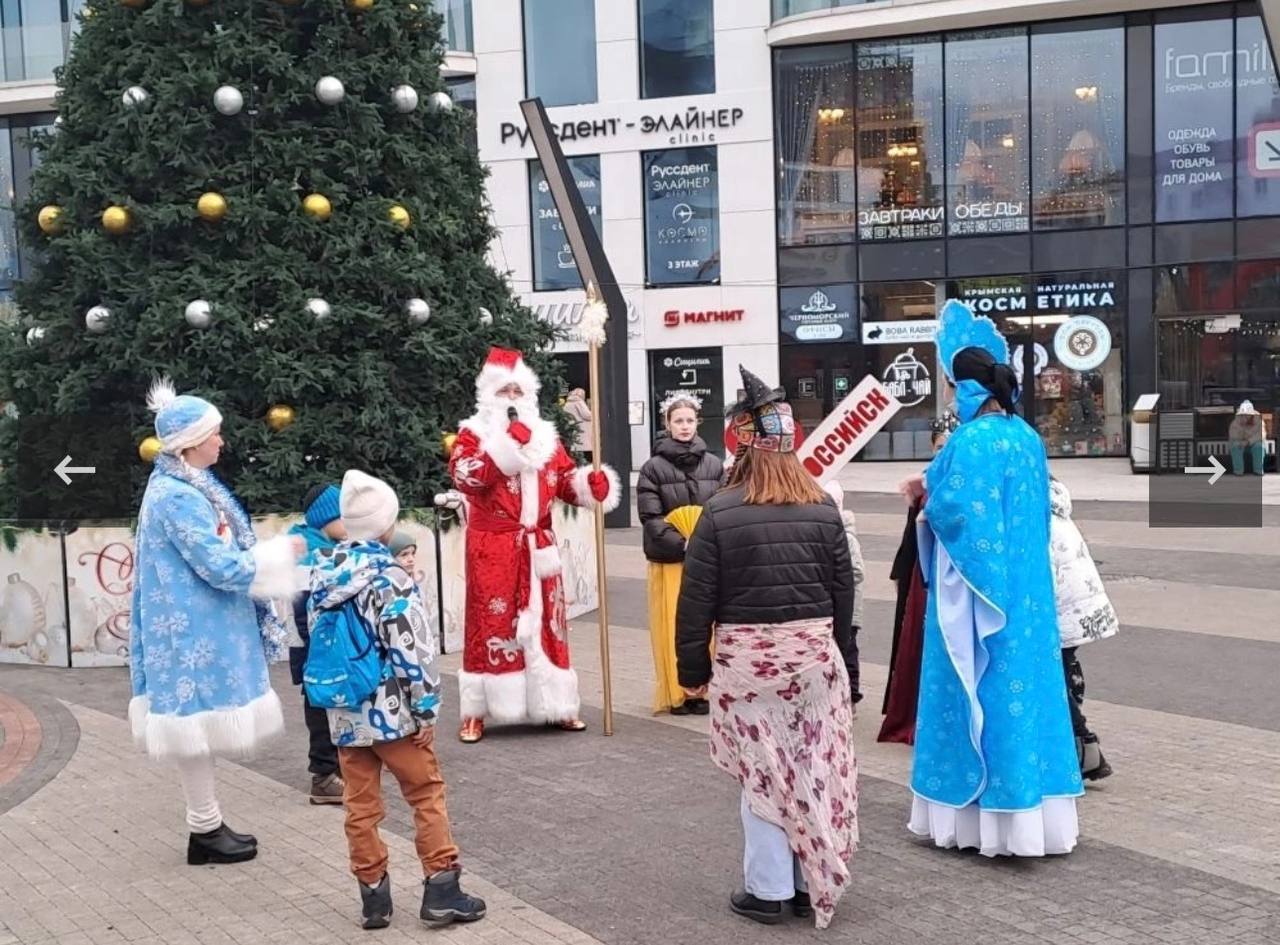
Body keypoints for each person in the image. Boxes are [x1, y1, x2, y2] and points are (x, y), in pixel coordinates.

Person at [676, 366, 858, 930]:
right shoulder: (824, 508)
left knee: (762, 774)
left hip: (747, 665)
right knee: (812, 770)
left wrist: (692, 669)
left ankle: (769, 889)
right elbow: (843, 595)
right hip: (814, 663)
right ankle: (810, 881)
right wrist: (848, 666)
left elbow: (696, 600)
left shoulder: (721, 512)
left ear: (743, 446)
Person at [902, 300, 1082, 857]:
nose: (953, 397)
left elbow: (958, 513)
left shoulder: (971, 442)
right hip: (1028, 596)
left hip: (980, 597)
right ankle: (1034, 817)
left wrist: (924, 503)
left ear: (971, 390)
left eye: (955, 387)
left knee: (975, 690)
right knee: (1026, 696)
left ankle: (978, 821)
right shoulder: (1028, 438)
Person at [129, 377, 302, 865]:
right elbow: (221, 565)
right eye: (215, 433)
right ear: (190, 442)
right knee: (192, 724)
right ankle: (203, 829)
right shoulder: (178, 496)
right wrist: (277, 553)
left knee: (194, 726)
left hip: (189, 627)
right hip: (189, 630)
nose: (222, 441)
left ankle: (205, 827)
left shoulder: (182, 485)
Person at [310, 470, 486, 930]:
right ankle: (442, 887)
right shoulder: (391, 577)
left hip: (345, 712)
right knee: (425, 794)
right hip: (395, 714)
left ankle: (373, 898)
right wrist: (426, 707)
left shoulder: (325, 573)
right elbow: (414, 651)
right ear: (387, 521)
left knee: (360, 805)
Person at [448, 347, 621, 743]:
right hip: (494, 547)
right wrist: (505, 448)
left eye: (518, 390)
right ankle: (478, 710)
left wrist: (589, 486)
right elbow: (466, 477)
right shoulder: (473, 434)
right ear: (488, 393)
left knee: (549, 622)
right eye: (504, 390)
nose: (512, 397)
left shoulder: (545, 435)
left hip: (539, 545)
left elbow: (562, 480)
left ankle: (557, 704)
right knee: (491, 622)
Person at [636, 392, 724, 715]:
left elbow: (721, 508)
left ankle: (705, 689)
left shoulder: (714, 464)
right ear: (667, 424)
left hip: (707, 559)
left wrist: (707, 543)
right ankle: (678, 689)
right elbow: (650, 516)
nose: (685, 427)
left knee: (708, 624)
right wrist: (682, 542)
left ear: (697, 422)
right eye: (678, 421)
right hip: (671, 558)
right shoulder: (652, 469)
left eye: (689, 420)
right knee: (673, 622)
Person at [878, 413, 956, 745]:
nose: (942, 454)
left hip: (954, 578)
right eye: (938, 447)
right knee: (919, 646)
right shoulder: (922, 484)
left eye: (948, 448)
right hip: (924, 580)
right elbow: (911, 536)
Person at [1049, 476, 1118, 781]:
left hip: (1062, 611)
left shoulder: (1039, 519)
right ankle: (1080, 749)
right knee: (1066, 670)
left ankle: (1085, 747)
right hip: (1079, 609)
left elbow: (1045, 572)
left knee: (1055, 678)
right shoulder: (1055, 506)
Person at [288, 483, 347, 805]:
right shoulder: (305, 555)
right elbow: (303, 613)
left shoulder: (328, 546)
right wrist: (321, 652)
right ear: (326, 518)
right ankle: (323, 777)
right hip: (314, 652)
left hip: (326, 649)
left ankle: (339, 768)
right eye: (343, 515)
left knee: (334, 707)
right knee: (320, 709)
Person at [822, 480, 864, 710]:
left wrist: (835, 580)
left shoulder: (847, 538)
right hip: (830, 604)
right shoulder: (826, 530)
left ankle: (852, 694)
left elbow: (857, 571)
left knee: (848, 650)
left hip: (849, 607)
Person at [1229, 401, 1267, 475]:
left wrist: (1248, 441)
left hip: (1254, 443)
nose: (1245, 417)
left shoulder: (1259, 421)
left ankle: (1258, 470)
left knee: (1259, 446)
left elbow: (1261, 435)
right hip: (1241, 442)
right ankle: (1238, 471)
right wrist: (1242, 430)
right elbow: (1233, 435)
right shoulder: (1235, 422)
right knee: (1235, 445)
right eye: (1242, 415)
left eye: (1247, 414)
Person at [563, 387, 593, 460]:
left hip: (573, 431)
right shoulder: (579, 402)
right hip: (582, 431)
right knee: (585, 455)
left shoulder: (567, 403)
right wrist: (594, 411)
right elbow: (587, 415)